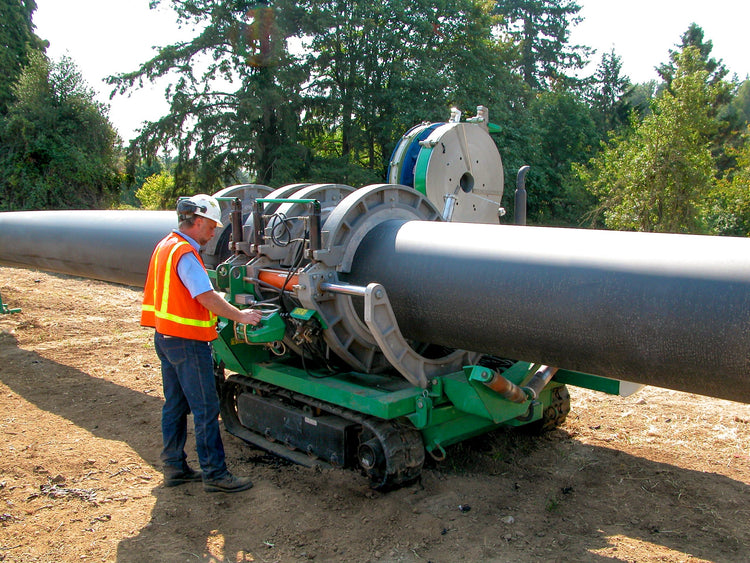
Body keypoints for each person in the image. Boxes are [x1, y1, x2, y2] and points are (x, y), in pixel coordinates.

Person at [141, 194, 262, 493]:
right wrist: (241, 316)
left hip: (166, 337)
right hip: (188, 343)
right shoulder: (185, 253)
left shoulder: (165, 246)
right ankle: (215, 474)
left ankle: (174, 466)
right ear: (196, 222)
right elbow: (205, 297)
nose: (214, 232)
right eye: (210, 226)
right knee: (207, 408)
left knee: (175, 404)